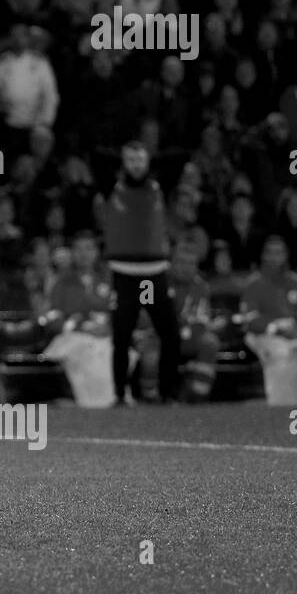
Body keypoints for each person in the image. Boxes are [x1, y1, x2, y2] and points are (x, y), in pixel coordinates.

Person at [98, 140, 179, 404]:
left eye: (140, 160)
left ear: (149, 163)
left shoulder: (159, 188)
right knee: (121, 337)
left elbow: (180, 156)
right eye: (130, 160)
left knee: (170, 334)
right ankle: (120, 394)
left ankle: (168, 392)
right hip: (123, 274)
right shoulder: (112, 188)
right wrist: (125, 157)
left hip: (154, 273)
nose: (135, 165)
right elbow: (94, 155)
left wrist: (149, 158)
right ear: (122, 163)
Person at [241, 235, 297, 405]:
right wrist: (276, 329)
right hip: (264, 334)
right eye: (270, 253)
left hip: (295, 331)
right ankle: (282, 409)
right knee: (280, 351)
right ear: (263, 256)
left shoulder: (296, 282)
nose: (274, 257)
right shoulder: (254, 283)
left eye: (279, 253)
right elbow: (250, 319)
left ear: (285, 256)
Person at [40, 231, 116, 407]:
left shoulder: (110, 279)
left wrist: (110, 328)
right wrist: (77, 327)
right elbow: (52, 316)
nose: (84, 254)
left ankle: (108, 403)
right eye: (78, 249)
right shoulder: (61, 281)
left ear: (97, 252)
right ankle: (89, 404)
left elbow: (121, 310)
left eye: (89, 248)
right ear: (72, 252)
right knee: (84, 351)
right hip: (73, 336)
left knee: (112, 352)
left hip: (106, 337)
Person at [137, 241, 220, 403]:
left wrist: (177, 327)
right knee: (150, 356)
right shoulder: (149, 283)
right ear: (171, 263)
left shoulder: (201, 286)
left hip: (185, 336)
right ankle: (151, 397)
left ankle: (195, 397)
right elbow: (143, 316)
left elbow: (200, 322)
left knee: (210, 342)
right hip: (155, 336)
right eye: (181, 262)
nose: (186, 267)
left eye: (191, 263)